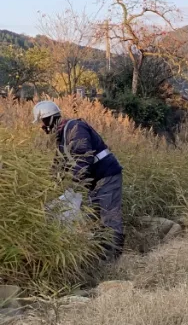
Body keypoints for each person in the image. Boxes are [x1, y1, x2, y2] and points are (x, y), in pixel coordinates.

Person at [33, 100, 124, 258]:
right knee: (93, 217)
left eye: (42, 122)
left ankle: (114, 257)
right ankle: (100, 256)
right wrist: (47, 186)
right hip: (95, 181)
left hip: (107, 176)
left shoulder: (75, 128)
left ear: (50, 119)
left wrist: (73, 184)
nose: (42, 127)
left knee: (109, 215)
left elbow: (83, 158)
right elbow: (59, 164)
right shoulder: (63, 137)